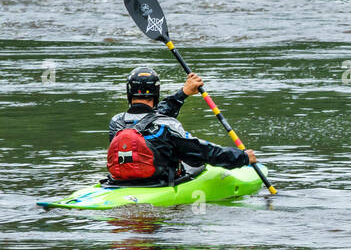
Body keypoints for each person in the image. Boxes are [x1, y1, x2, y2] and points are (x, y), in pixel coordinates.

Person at [106, 66, 255, 184]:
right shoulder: (168, 125)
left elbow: (150, 118)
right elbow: (203, 152)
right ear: (157, 93)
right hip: (159, 183)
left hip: (119, 181)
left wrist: (183, 93)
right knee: (196, 163)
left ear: (129, 92)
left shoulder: (116, 123)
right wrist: (242, 157)